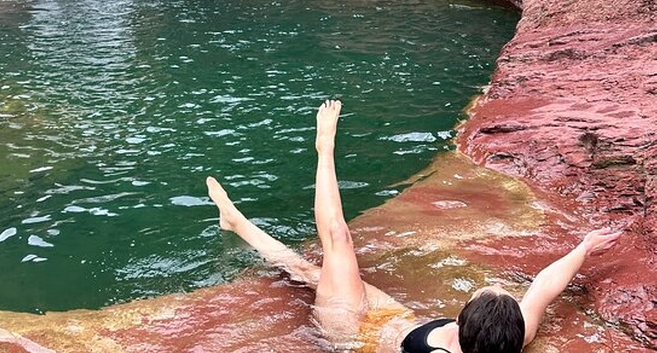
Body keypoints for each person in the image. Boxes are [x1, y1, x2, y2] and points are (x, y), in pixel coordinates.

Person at [206, 99, 623, 353]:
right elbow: (543, 289)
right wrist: (583, 249)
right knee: (311, 273)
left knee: (337, 242)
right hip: (392, 317)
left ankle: (322, 150)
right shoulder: (506, 338)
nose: (490, 287)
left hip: (351, 329)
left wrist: (326, 148)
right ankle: (237, 222)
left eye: (483, 293)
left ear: (461, 327)